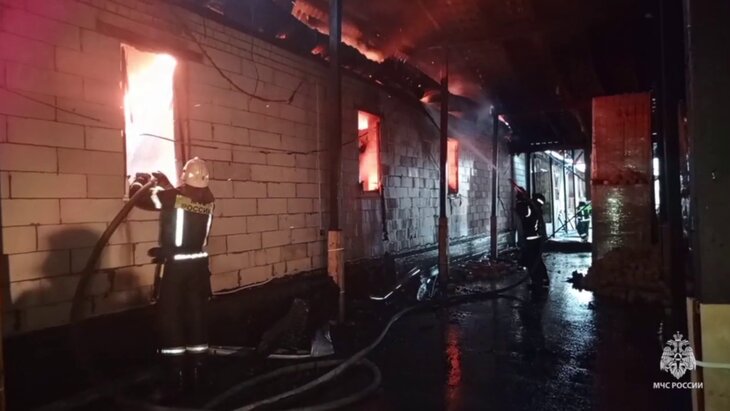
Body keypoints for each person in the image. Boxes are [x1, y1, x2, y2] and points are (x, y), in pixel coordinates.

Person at [129, 157, 215, 396]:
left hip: (177, 268)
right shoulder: (208, 199)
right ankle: (198, 374)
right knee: (196, 315)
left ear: (185, 176)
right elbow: (183, 202)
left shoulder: (173, 197)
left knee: (171, 316)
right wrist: (166, 184)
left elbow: (142, 199)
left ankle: (175, 376)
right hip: (199, 266)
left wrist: (138, 182)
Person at [514, 188, 549, 289]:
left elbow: (521, 210)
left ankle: (537, 282)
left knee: (532, 262)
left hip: (531, 240)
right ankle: (542, 279)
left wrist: (521, 200)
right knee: (536, 261)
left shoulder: (530, 209)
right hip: (535, 239)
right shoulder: (535, 209)